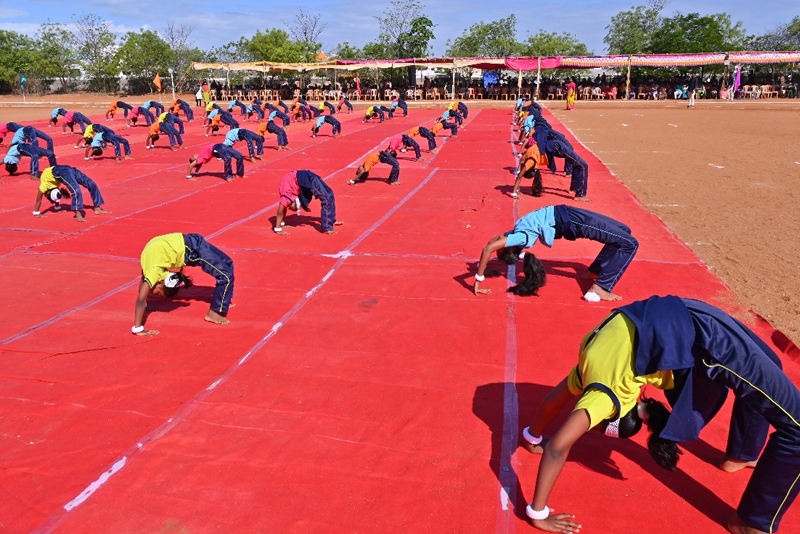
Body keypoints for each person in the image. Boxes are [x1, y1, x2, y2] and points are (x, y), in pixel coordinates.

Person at [521, 294, 800, 534]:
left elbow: (557, 448)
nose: (589, 423)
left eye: (593, 423)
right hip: (684, 311)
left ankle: (751, 516)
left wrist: (539, 513)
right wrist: (532, 437)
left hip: (702, 333)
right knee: (770, 366)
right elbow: (550, 402)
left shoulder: (605, 397)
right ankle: (745, 472)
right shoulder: (588, 370)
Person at [473, 204, 637, 301]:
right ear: (509, 248)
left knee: (624, 230)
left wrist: (483, 267)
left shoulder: (514, 233)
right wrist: (478, 280)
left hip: (566, 212)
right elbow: (488, 248)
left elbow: (490, 243)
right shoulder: (522, 237)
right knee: (630, 244)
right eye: (499, 250)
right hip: (572, 222)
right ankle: (599, 288)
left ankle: (593, 271)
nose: (497, 243)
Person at [133, 232, 235, 335]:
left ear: (160, 284)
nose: (153, 294)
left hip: (191, 250)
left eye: (159, 293)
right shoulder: (149, 268)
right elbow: (143, 285)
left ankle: (216, 310)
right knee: (227, 267)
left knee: (226, 274)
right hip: (189, 240)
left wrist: (138, 329)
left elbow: (140, 299)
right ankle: (220, 304)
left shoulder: (154, 273)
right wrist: (146, 306)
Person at [273, 170, 343, 235]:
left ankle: (327, 227)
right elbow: (284, 208)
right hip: (307, 174)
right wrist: (282, 223)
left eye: (292, 208)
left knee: (326, 199)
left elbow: (280, 212)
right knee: (329, 194)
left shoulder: (286, 196)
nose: (289, 207)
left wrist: (278, 229)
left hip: (306, 178)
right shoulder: (287, 196)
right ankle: (331, 220)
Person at [32, 165, 111, 222]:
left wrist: (36, 212)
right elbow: (56, 195)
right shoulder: (52, 188)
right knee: (76, 191)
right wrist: (57, 207)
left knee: (92, 184)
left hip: (61, 171)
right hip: (64, 171)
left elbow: (39, 199)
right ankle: (78, 213)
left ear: (47, 193)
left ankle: (97, 207)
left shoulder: (44, 186)